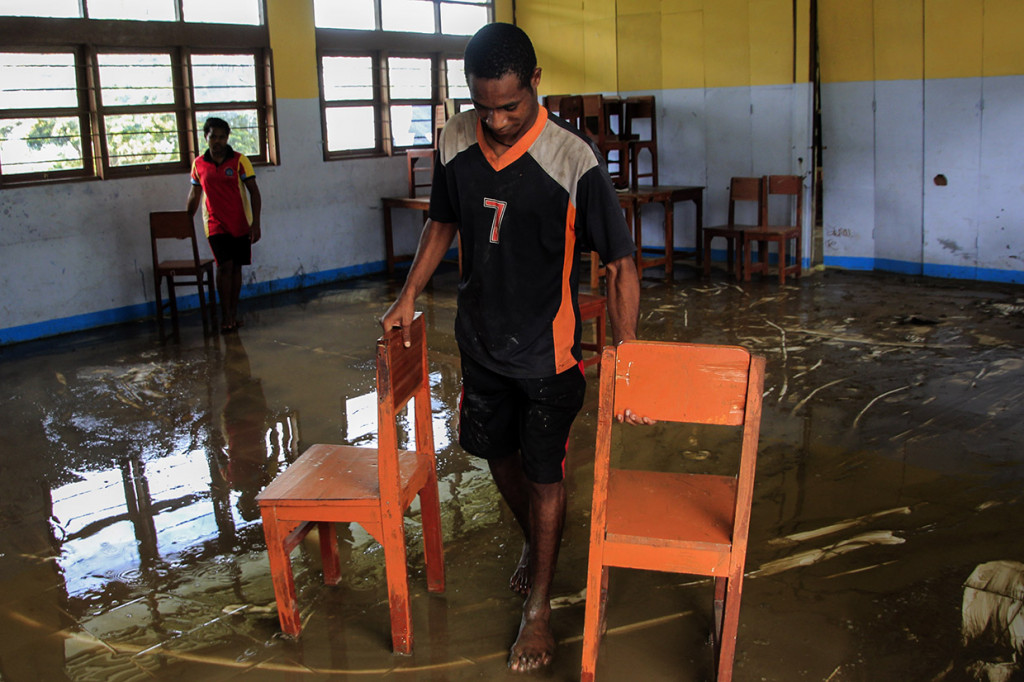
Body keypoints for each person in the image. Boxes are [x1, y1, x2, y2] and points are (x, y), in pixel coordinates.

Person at [380, 22, 650, 673]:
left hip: (549, 355)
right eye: (485, 107)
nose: (497, 121)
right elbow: (443, 220)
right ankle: (539, 540)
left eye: (511, 106)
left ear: (536, 84)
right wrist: (408, 293)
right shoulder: (454, 141)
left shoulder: (572, 159)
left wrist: (630, 356)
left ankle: (539, 611)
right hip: (480, 342)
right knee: (495, 455)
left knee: (545, 471)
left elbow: (619, 264)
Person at [187, 117, 262, 333]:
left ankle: (233, 313)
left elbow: (254, 192)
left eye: (221, 137)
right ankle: (226, 315)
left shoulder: (240, 161)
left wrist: (255, 223)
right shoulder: (199, 164)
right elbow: (194, 194)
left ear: (227, 138)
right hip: (214, 224)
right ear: (206, 137)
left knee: (236, 267)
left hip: (240, 223)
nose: (217, 141)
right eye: (213, 137)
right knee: (224, 266)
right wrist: (186, 219)